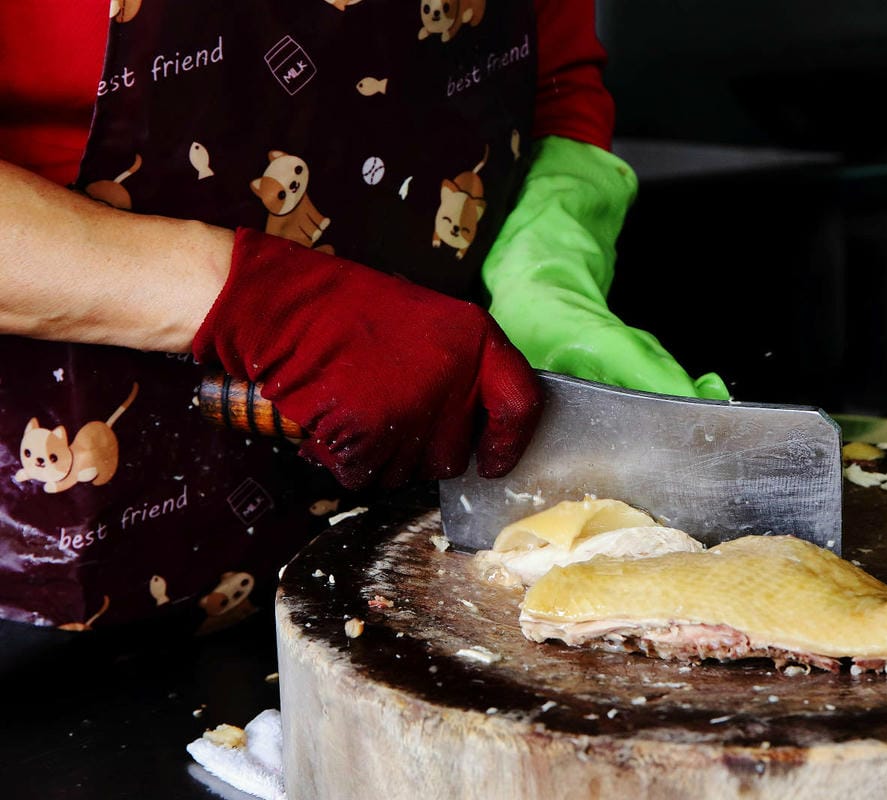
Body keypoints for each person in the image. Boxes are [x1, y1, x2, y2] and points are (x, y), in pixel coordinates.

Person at [0, 1, 725, 645]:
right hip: (63, 569)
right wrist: (265, 303)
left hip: (427, 538)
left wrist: (545, 272)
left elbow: (557, 78)